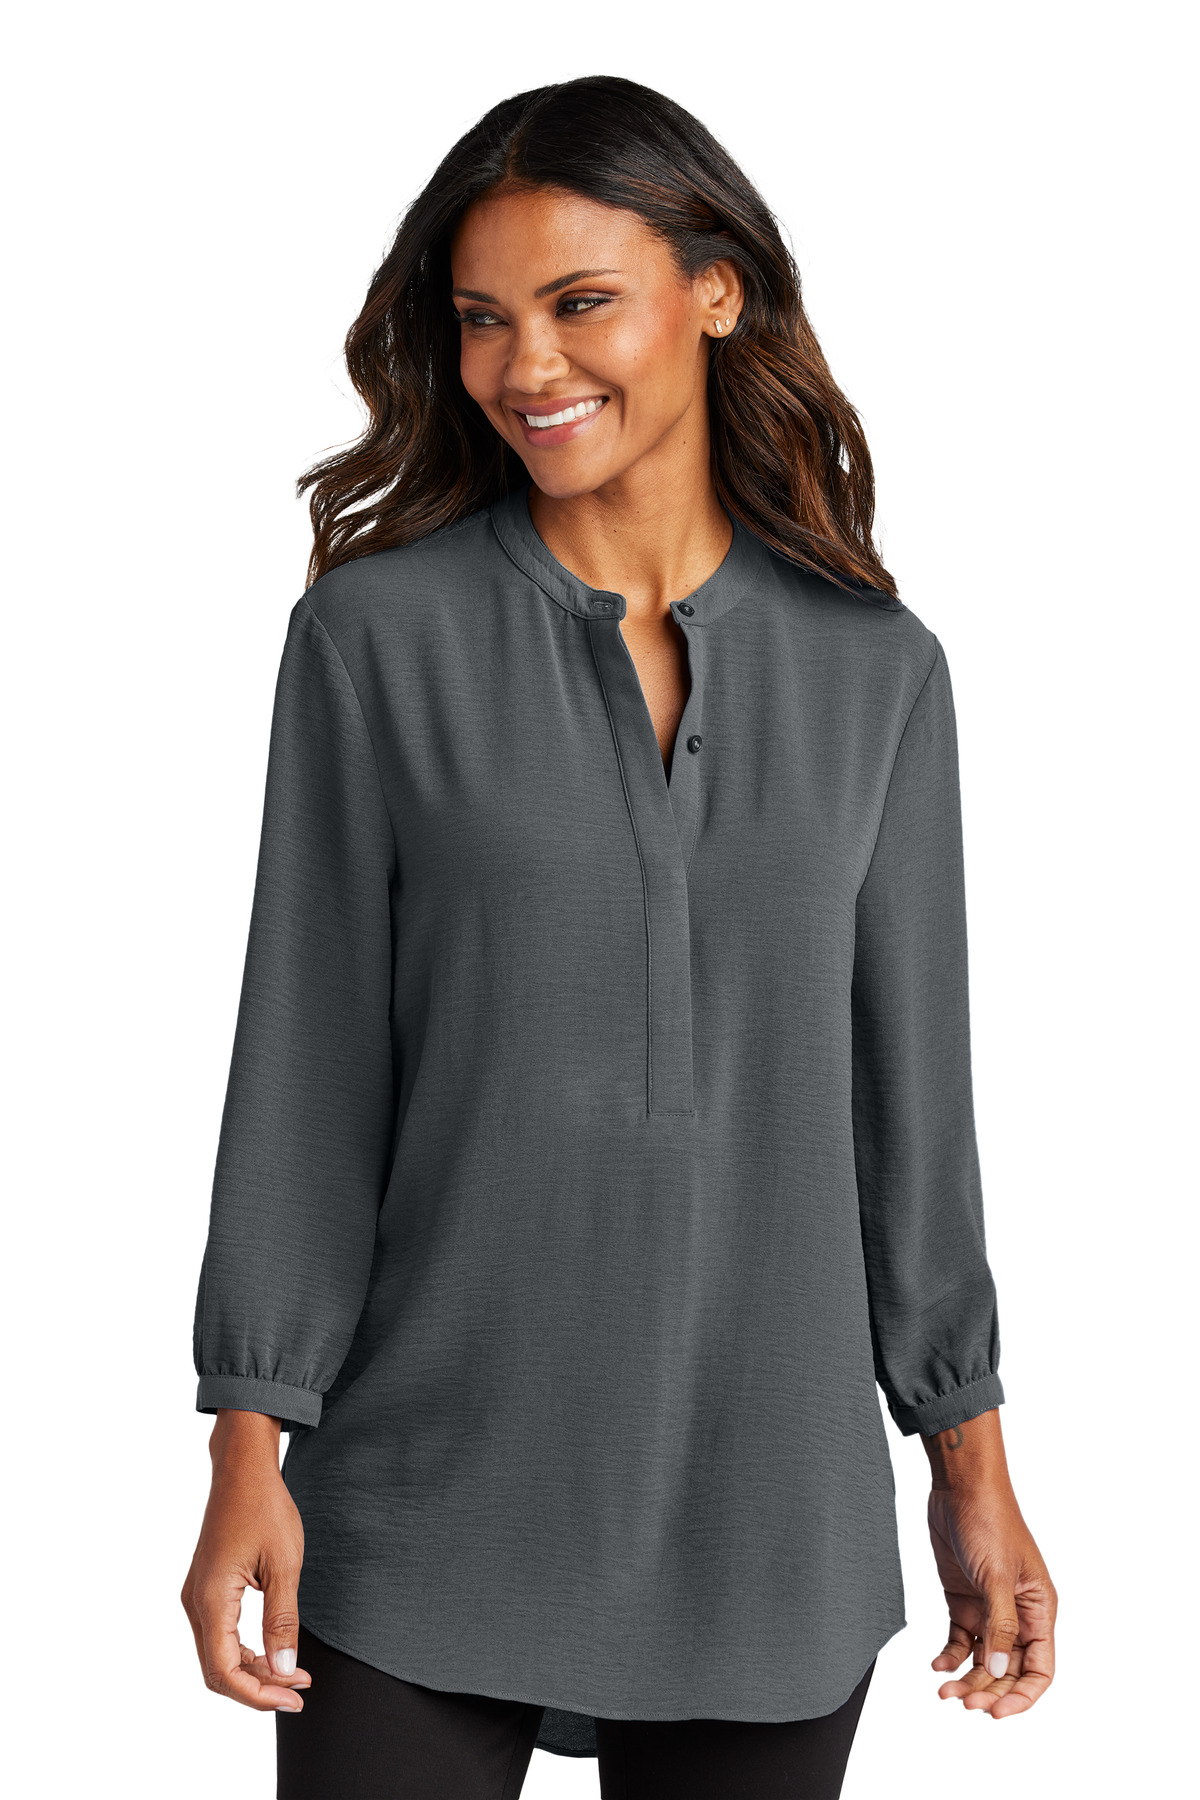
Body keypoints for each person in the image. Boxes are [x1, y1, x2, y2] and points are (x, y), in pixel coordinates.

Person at [182, 74, 1057, 1800]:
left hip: (769, 1511)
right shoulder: (376, 642)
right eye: (483, 318)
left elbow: (912, 1106)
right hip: (422, 1491)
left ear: (715, 292)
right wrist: (244, 1440)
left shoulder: (878, 674)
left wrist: (969, 1457)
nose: (527, 366)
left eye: (580, 303)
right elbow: (307, 1068)